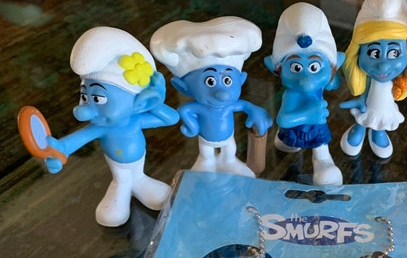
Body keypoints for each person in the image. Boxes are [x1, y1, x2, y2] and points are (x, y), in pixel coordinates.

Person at [40, 26, 179, 227]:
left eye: (98, 98)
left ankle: (139, 182)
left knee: (138, 176)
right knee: (121, 181)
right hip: (117, 166)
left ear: (140, 102)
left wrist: (155, 103)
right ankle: (120, 187)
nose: (83, 110)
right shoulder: (101, 127)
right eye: (85, 97)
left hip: (138, 164)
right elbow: (74, 141)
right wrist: (58, 151)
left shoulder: (136, 120)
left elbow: (171, 118)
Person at [150, 17, 272, 177]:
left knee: (230, 151)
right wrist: (192, 126)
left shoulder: (230, 105)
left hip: (228, 138)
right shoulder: (198, 107)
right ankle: (205, 163)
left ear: (241, 80)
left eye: (227, 80)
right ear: (182, 87)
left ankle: (229, 161)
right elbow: (184, 110)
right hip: (206, 139)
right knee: (206, 154)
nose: (222, 94)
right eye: (210, 81)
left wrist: (256, 111)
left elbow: (245, 106)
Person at [341, 0, 407, 160]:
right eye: (374, 53)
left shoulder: (399, 78)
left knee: (381, 120)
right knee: (365, 116)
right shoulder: (365, 79)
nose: (384, 66)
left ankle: (378, 132)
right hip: (367, 104)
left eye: (394, 53)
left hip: (385, 108)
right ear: (358, 52)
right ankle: (359, 128)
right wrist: (358, 102)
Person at [265, 2, 345, 185]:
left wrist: (333, 76)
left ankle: (323, 163)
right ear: (277, 69)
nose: (306, 80)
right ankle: (286, 142)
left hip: (316, 129)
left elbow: (334, 83)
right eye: (296, 67)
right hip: (300, 126)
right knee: (288, 139)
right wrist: (309, 114)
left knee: (320, 148)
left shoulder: (321, 84)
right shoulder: (291, 95)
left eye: (315, 67)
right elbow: (283, 119)